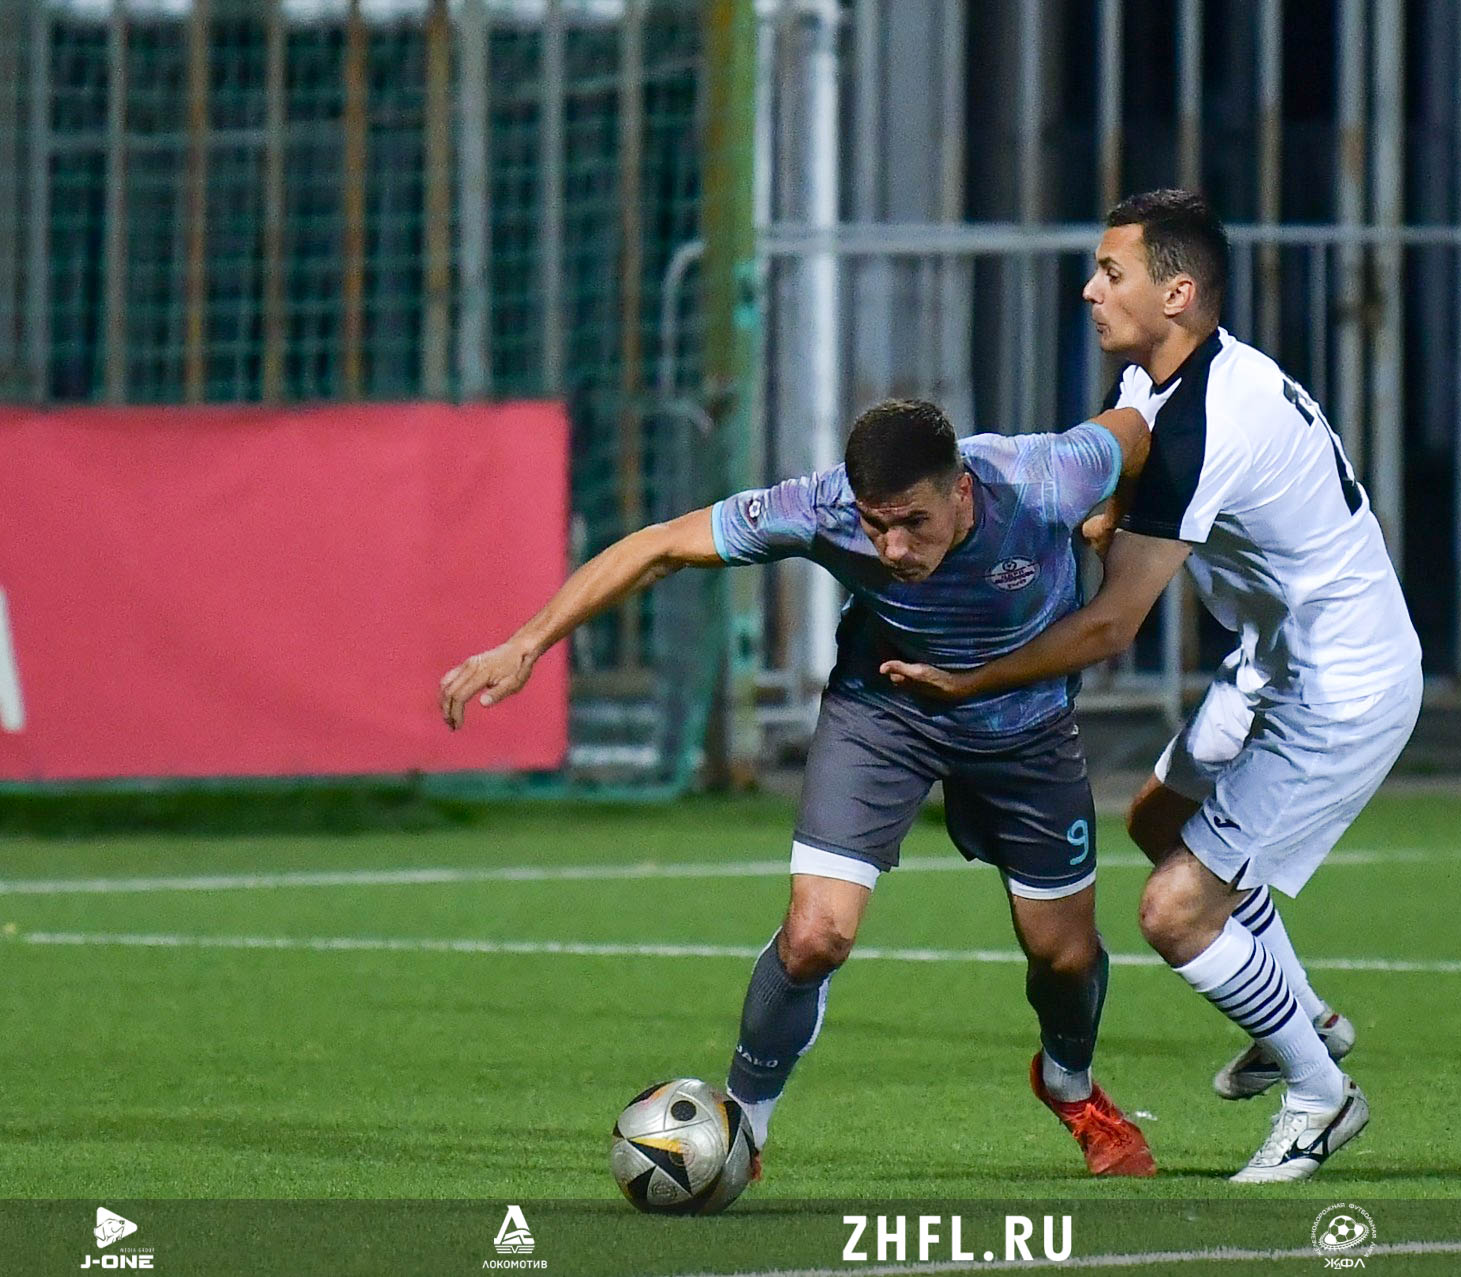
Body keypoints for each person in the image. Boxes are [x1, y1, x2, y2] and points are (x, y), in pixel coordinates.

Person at [440, 396, 1159, 1178]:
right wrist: (527, 643)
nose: (892, 547)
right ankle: (741, 1128)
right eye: (876, 524)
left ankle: (1069, 1084)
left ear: (961, 490)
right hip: (885, 709)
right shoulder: (821, 507)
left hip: (1025, 725)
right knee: (817, 934)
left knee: (1063, 955)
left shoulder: (1044, 477)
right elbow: (661, 546)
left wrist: (1113, 512)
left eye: (913, 523)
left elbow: (1133, 433)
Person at [882, 189, 1423, 1182]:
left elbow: (1112, 623)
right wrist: (1084, 514)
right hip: (1274, 659)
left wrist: (970, 680)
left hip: (1341, 688)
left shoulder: (1207, 422)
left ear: (1176, 294)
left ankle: (1320, 1094)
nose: (1089, 290)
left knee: (1175, 910)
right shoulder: (1161, 377)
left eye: (1111, 273)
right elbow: (1108, 479)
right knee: (1157, 819)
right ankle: (1299, 1018)